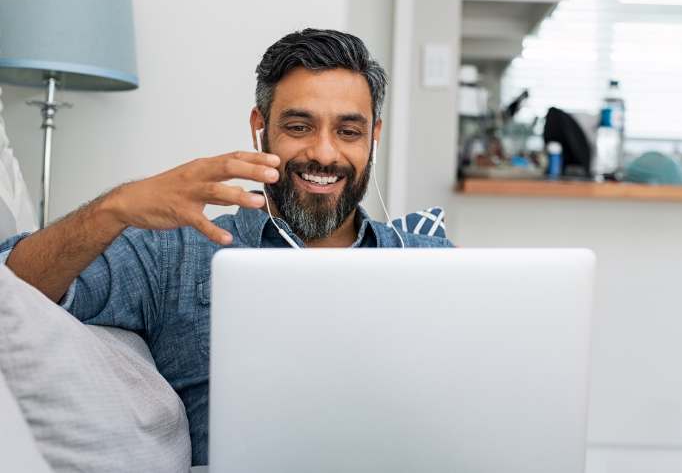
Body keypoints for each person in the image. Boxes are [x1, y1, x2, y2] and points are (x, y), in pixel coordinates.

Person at [0, 29, 454, 465]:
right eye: (299, 126)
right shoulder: (174, 249)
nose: (325, 153)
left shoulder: (436, 264)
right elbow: (11, 292)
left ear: (373, 135)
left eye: (349, 132)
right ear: (261, 127)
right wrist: (113, 208)